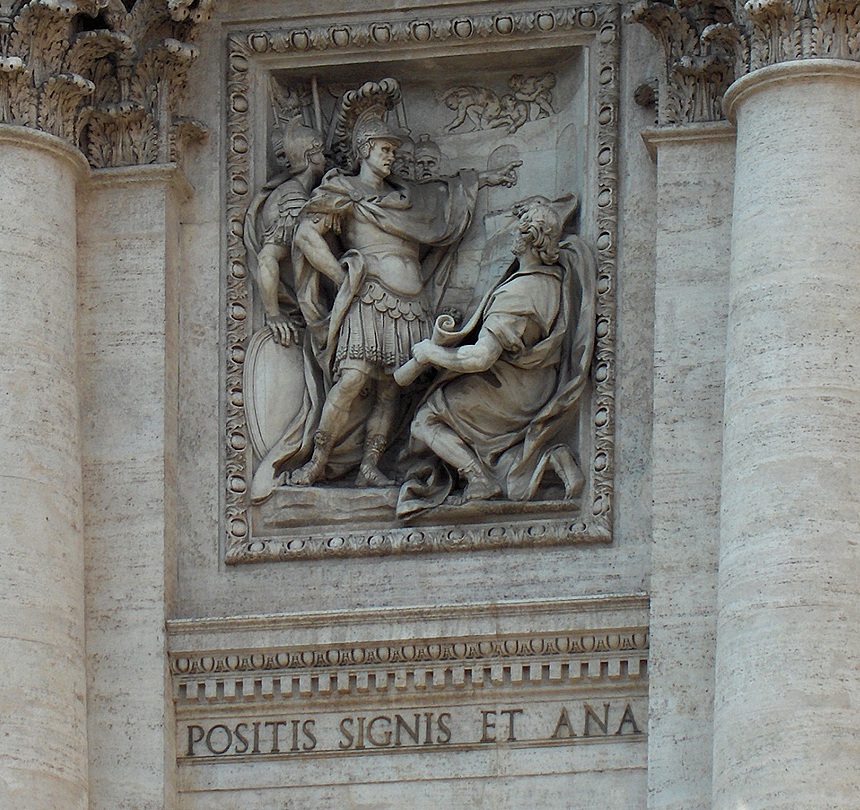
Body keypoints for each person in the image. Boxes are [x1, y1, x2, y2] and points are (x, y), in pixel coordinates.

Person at [287, 79, 518, 488]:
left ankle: (370, 467)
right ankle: (317, 462)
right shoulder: (343, 190)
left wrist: (490, 178)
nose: (392, 157)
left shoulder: (407, 196)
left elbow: (447, 195)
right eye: (385, 149)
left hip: (411, 303)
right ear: (365, 150)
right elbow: (306, 234)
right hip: (369, 297)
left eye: (393, 150)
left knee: (391, 389)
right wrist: (340, 276)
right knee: (354, 379)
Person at [395, 195, 596, 516]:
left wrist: (431, 352)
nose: (513, 235)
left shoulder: (516, 295)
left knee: (425, 419)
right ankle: (548, 459)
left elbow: (480, 359)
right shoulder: (553, 281)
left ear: (528, 240)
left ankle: (478, 480)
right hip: (539, 383)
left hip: (513, 391)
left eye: (519, 230)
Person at [241, 118, 330, 502]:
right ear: (311, 155)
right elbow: (268, 258)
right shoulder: (292, 199)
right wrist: (274, 313)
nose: (327, 157)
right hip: (309, 313)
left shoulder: (304, 192)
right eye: (321, 151)